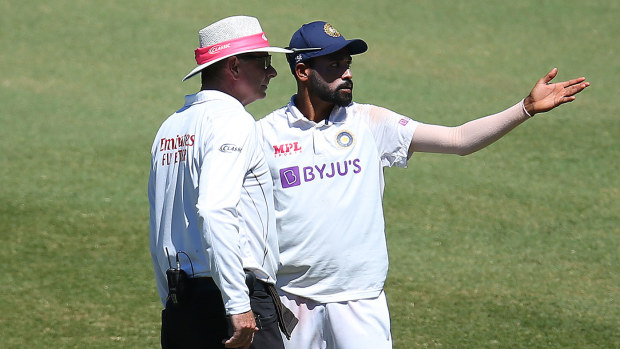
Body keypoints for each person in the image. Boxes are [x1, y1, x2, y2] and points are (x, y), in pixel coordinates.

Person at [257, 21, 590, 349]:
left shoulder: (369, 122)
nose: (348, 73)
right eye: (335, 65)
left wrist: (525, 108)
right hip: (291, 301)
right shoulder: (264, 135)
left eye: (348, 64)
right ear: (302, 71)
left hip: (360, 300)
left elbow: (458, 139)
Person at [149, 16, 295, 349]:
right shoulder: (232, 121)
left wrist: (171, 302)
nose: (272, 72)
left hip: (181, 306)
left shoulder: (170, 127)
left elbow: (159, 225)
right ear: (233, 67)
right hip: (231, 299)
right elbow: (215, 210)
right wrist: (238, 304)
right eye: (264, 62)